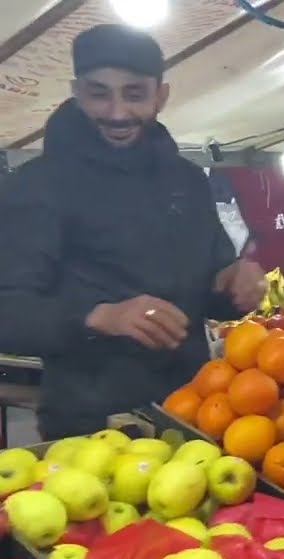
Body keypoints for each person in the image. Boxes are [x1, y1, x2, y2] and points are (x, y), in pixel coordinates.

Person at [0, 24, 265, 440]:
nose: (117, 112)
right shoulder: (37, 186)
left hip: (195, 413)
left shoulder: (188, 181)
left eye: (135, 93)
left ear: (161, 95)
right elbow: (9, 310)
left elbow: (213, 283)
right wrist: (99, 316)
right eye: (99, 92)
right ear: (76, 91)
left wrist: (235, 283)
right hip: (88, 426)